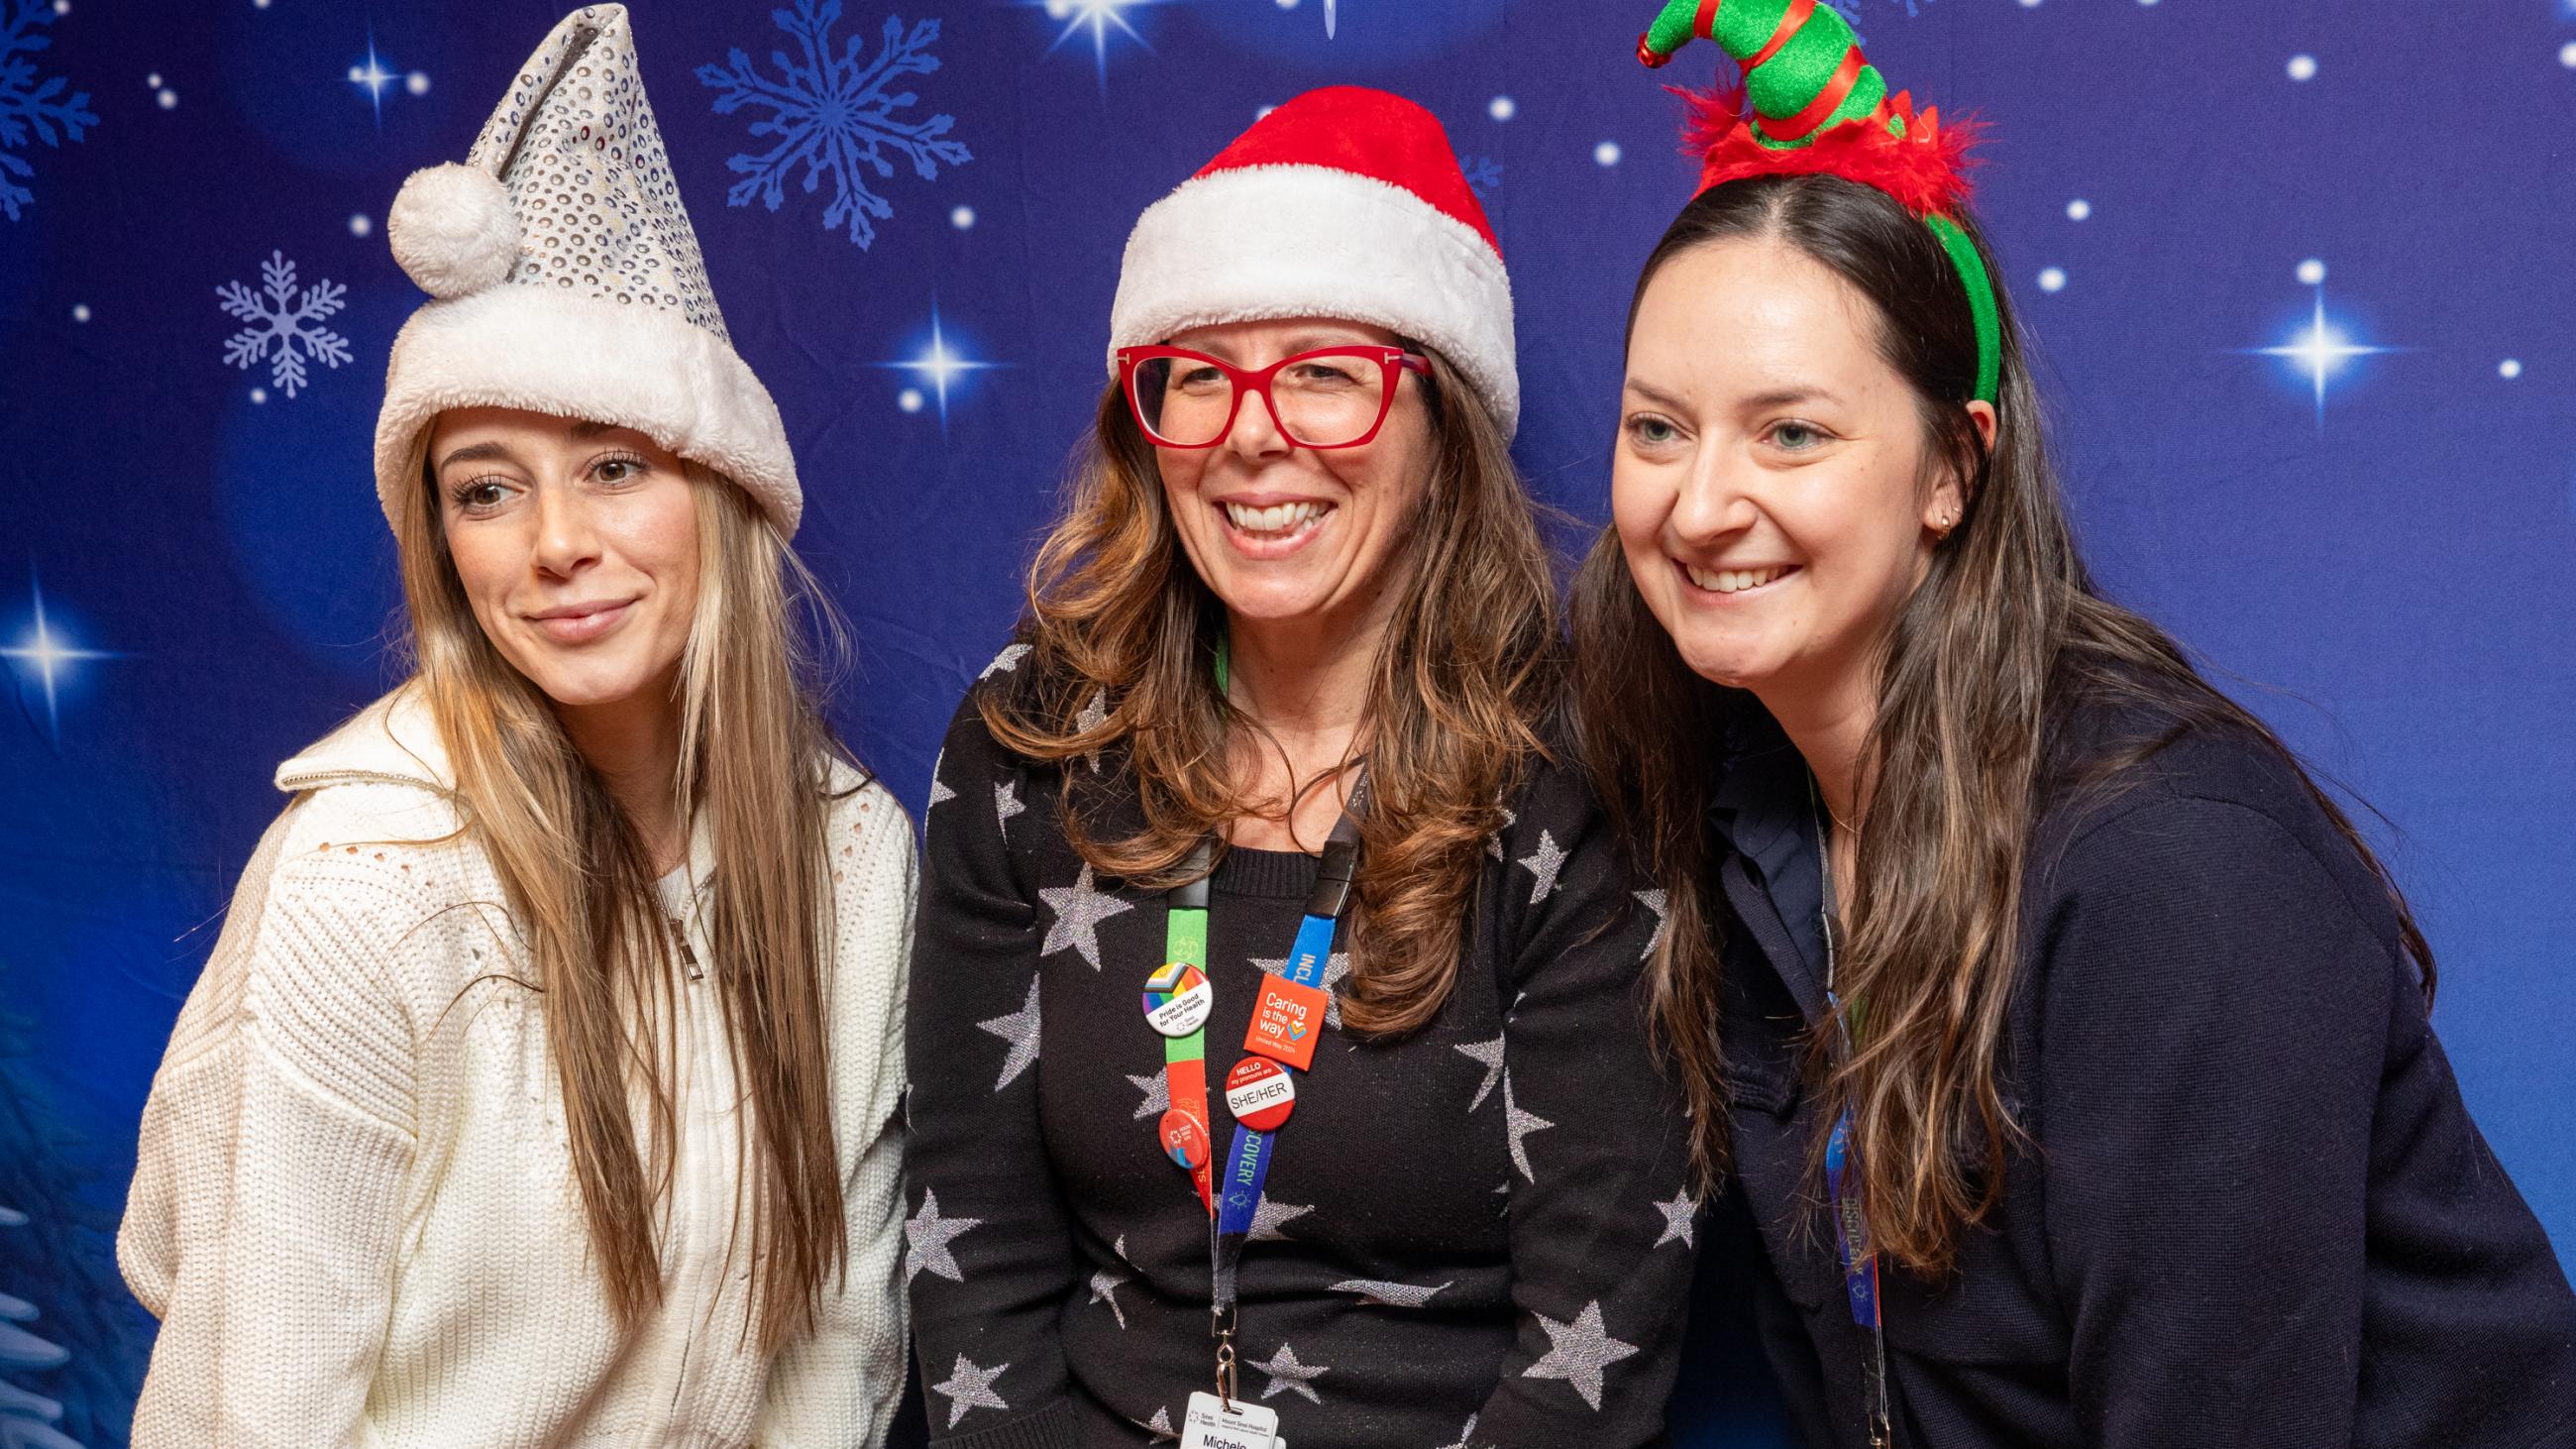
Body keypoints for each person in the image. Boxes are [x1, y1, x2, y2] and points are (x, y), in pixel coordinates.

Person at [1575, 7, 2576, 1448]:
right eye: (1657, 427)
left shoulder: (2171, 877)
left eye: (1792, 431)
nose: (1700, 501)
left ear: (1952, 469)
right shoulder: (1752, 817)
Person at [116, 9, 912, 1445]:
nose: (555, 542)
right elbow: (257, 1404)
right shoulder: (368, 879)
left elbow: (835, 1344)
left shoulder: (850, 853)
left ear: (721, 497)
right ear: (445, 541)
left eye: (614, 465)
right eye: (488, 487)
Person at [904, 87, 1693, 1449]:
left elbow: (1601, 1330)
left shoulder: (1574, 773)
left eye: (1325, 372)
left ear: (1440, 421)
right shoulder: (1032, 740)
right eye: (1197, 376)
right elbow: (973, 1250)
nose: (1250, 432)